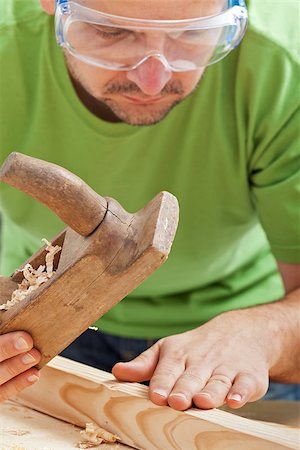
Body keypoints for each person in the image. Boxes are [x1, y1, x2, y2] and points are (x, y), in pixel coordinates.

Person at [0, 0, 299, 412]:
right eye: (112, 32)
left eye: (193, 33)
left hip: (233, 342)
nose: (153, 82)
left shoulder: (286, 67)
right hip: (36, 331)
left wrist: (265, 335)